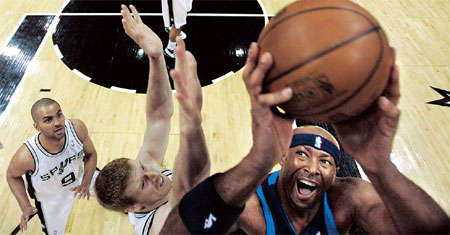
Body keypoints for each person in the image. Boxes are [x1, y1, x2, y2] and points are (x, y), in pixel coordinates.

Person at [160, 44, 450, 234]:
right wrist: (256, 162)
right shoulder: (252, 207)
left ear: (337, 173)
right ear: (283, 158)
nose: (312, 167)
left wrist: (381, 168)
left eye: (325, 161)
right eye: (301, 154)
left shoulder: (350, 198)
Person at [94, 5, 210, 235]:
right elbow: (192, 180)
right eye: (143, 182)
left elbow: (158, 117)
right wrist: (191, 120)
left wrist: (155, 57)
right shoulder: (160, 225)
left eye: (142, 166)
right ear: (135, 208)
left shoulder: (145, 172)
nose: (153, 173)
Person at [6, 98, 98, 235]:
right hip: (51, 199)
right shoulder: (26, 156)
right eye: (48, 120)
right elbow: (12, 176)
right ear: (37, 127)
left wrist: (86, 182)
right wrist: (25, 206)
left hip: (81, 177)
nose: (57, 123)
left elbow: (91, 154)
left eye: (59, 115)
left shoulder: (76, 128)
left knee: (119, 187)